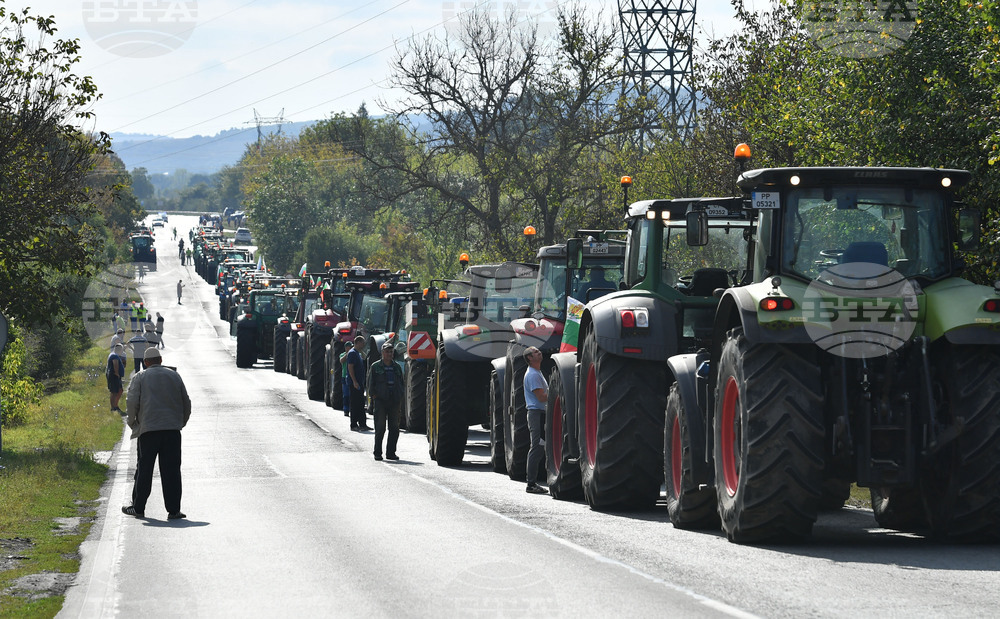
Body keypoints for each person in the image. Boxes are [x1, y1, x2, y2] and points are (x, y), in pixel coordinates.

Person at [122, 348, 192, 520]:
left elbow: (131, 402)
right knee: (172, 471)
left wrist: (133, 424)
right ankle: (174, 510)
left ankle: (138, 507)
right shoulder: (174, 375)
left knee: (144, 469)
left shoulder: (140, 377)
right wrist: (180, 422)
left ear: (146, 362)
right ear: (160, 360)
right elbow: (186, 402)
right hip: (172, 431)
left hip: (149, 431)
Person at [367, 342, 405, 461]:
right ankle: (377, 452)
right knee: (380, 427)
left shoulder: (397, 367)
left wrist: (400, 396)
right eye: (387, 352)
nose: (389, 354)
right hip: (381, 401)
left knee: (394, 428)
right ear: (382, 353)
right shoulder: (375, 366)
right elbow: (370, 384)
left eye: (391, 352)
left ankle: (391, 453)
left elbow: (401, 383)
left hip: (394, 401)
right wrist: (374, 396)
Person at [523, 346, 548, 494]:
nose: (539, 352)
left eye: (538, 351)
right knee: (537, 447)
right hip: (536, 414)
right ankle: (531, 484)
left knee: (540, 448)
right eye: (535, 352)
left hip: (540, 414)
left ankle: (533, 482)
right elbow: (541, 397)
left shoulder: (537, 372)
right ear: (530, 359)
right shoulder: (533, 375)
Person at [346, 335, 369, 430]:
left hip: (359, 383)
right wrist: (355, 381)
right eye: (363, 342)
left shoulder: (357, 353)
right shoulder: (352, 353)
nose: (364, 344)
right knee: (355, 404)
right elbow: (350, 367)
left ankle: (362, 424)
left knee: (360, 404)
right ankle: (354, 424)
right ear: (358, 342)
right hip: (354, 383)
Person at [106, 343, 126, 413]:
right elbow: (115, 365)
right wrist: (117, 373)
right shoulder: (114, 356)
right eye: (122, 350)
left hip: (116, 376)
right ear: (119, 349)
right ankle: (113, 407)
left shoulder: (114, 355)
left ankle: (116, 405)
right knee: (114, 392)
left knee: (120, 390)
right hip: (114, 376)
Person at [339, 341, 353, 418]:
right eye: (350, 347)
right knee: (346, 395)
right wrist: (348, 353)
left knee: (352, 395)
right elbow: (341, 360)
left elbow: (364, 357)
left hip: (352, 376)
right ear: (346, 348)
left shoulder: (355, 354)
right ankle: (346, 410)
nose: (351, 348)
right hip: (345, 376)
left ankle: (352, 409)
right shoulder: (343, 355)